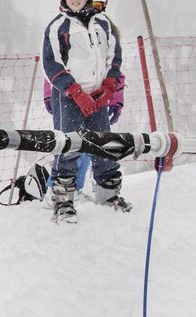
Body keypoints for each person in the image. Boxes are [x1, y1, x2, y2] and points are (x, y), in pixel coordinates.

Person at [42, 0, 131, 223]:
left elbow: (114, 57)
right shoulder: (57, 27)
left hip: (98, 94)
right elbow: (51, 63)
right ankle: (63, 201)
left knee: (103, 143)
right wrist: (74, 91)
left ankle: (108, 196)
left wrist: (109, 86)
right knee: (69, 144)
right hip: (68, 96)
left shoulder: (103, 24)